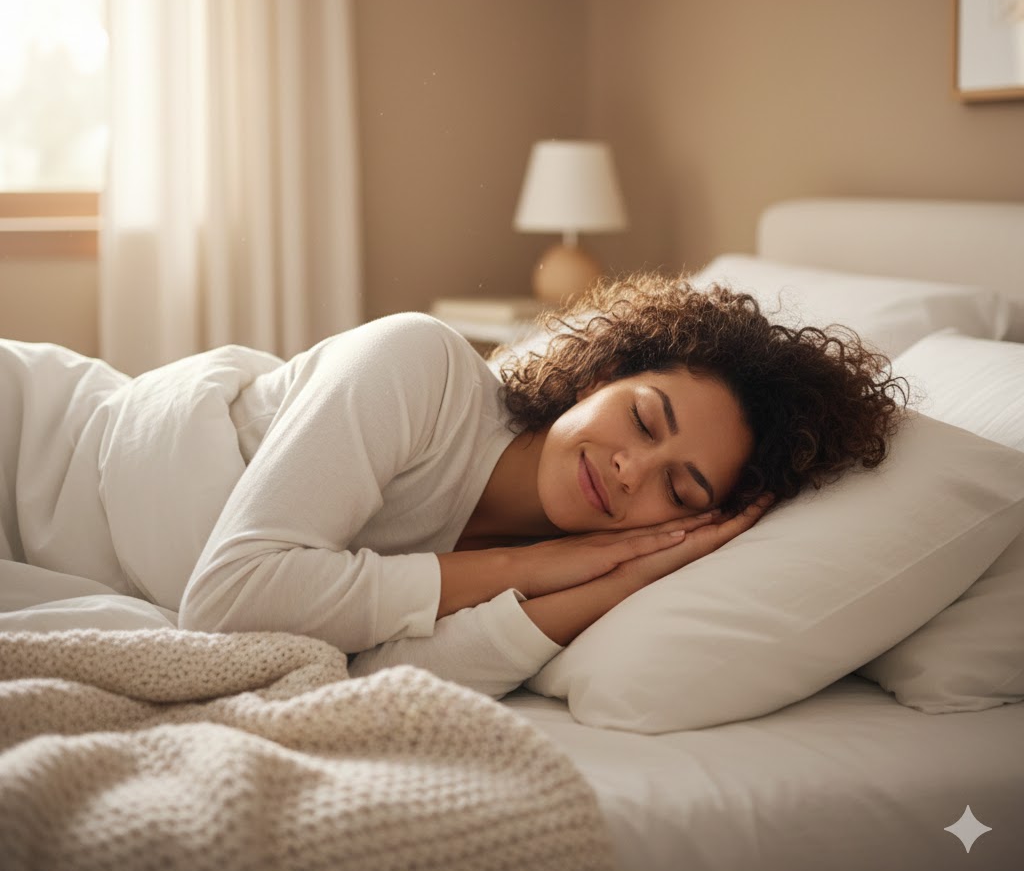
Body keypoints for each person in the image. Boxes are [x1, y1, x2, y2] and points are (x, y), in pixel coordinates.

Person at [0, 273, 906, 699]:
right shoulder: (420, 364)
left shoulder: (582, 561)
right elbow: (232, 599)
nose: (633, 472)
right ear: (602, 375)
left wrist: (613, 581)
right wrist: (534, 568)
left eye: (682, 489)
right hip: (35, 444)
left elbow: (382, 676)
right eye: (643, 417)